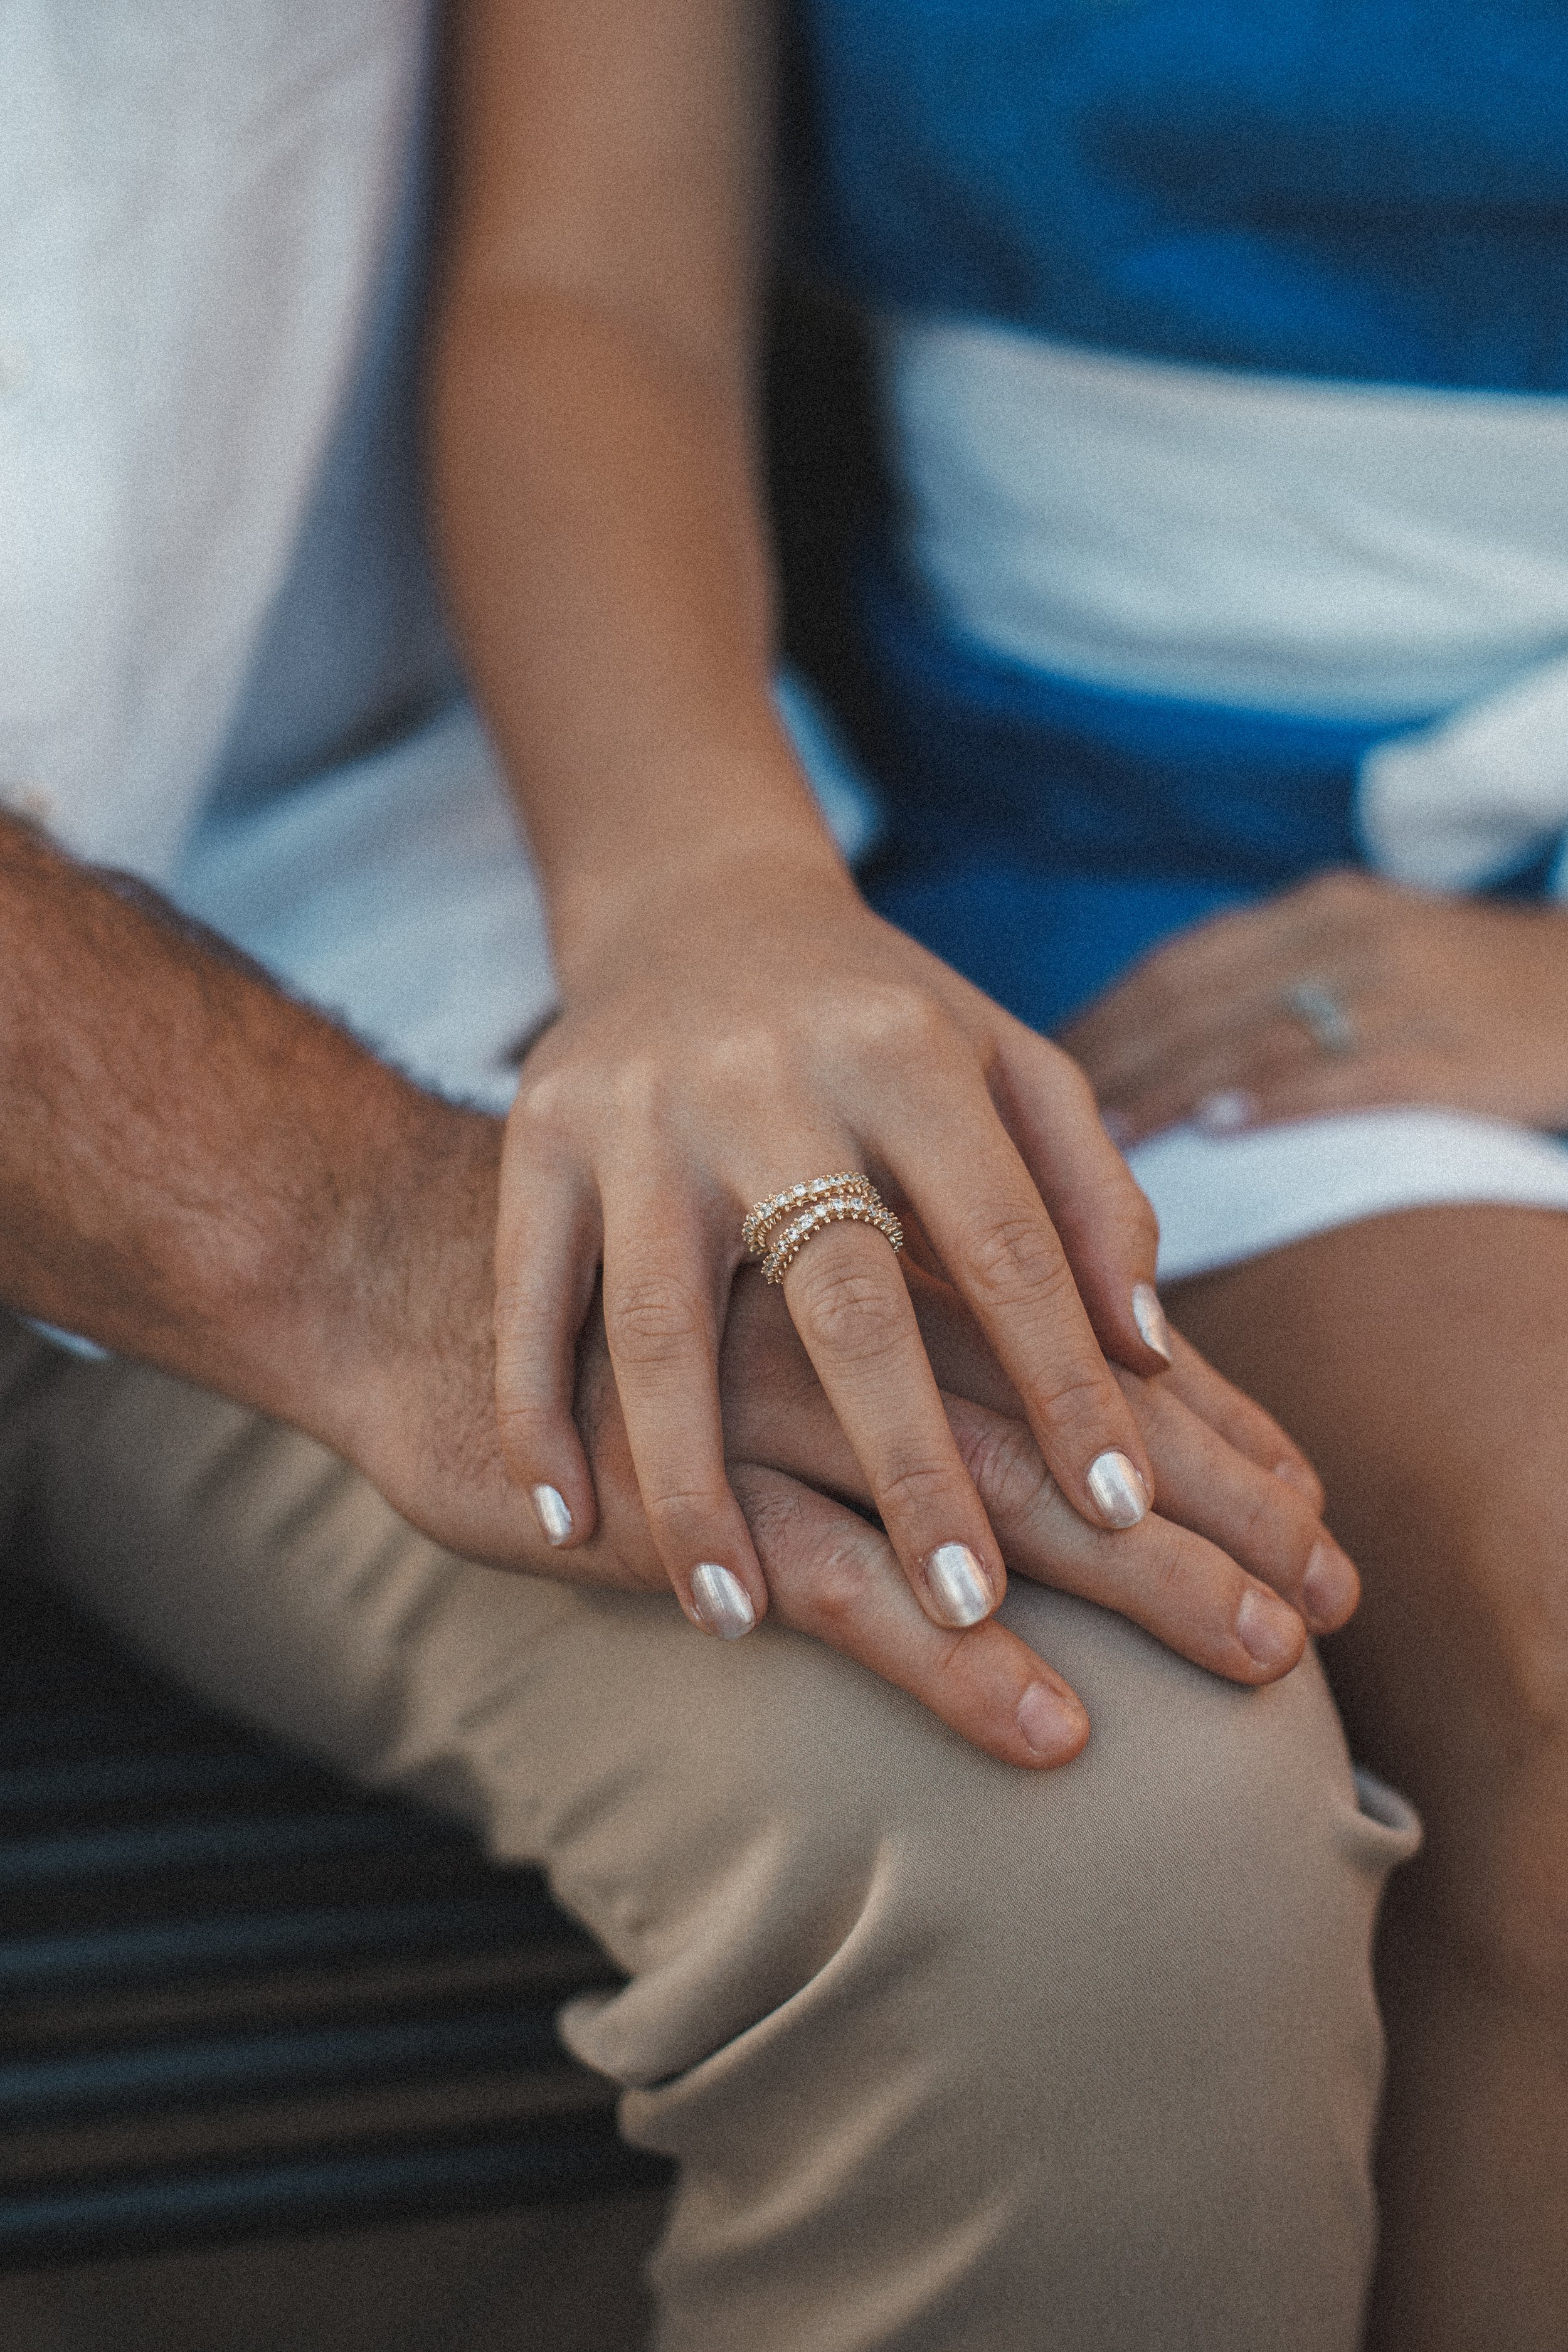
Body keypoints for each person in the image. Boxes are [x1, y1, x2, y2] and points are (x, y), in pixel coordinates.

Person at [1, 5, 1421, 2348]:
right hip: (315, 1139)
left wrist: (694, 906)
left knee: (1096, 1812)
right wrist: (341, 1231)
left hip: (362, 920)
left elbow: (592, 261)